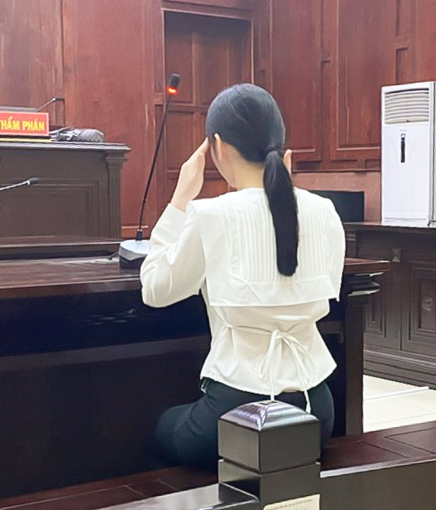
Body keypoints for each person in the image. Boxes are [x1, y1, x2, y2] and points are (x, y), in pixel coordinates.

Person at [140, 83, 346, 470]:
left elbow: (154, 289)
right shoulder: (325, 211)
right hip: (316, 409)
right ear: (281, 147)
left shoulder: (212, 215)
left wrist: (180, 200)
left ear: (217, 146)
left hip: (238, 412)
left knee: (163, 425)